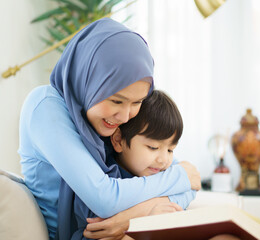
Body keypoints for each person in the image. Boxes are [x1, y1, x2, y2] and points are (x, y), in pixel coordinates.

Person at [18, 18, 200, 240]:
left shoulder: (107, 118)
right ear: (90, 80)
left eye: (137, 103)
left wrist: (136, 214)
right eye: (116, 101)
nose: (125, 116)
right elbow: (104, 198)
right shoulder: (44, 106)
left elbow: (190, 184)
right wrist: (180, 178)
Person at [80, 89, 195, 239]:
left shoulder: (161, 169)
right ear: (118, 140)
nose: (163, 160)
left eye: (170, 149)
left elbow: (192, 183)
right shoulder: (105, 179)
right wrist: (146, 221)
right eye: (153, 147)